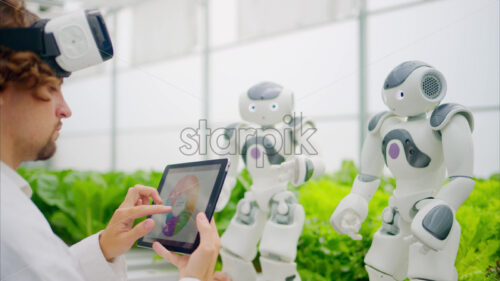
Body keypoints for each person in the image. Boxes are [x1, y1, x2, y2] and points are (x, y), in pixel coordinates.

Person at [0, 1, 226, 281]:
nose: (66, 109)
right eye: (51, 87)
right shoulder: (8, 223)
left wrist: (105, 248)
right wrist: (195, 278)